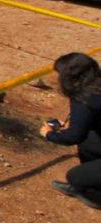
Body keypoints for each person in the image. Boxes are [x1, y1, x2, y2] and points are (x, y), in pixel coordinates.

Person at [40, 52, 101, 210]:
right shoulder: (96, 89)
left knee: (74, 177)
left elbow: (73, 137)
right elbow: (84, 128)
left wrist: (49, 134)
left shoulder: (84, 99)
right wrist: (75, 125)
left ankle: (93, 194)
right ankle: (94, 185)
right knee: (89, 141)